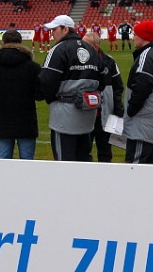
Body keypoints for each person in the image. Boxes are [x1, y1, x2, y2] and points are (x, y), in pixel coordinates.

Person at [38, 15, 104, 162]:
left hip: (64, 116)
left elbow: (47, 82)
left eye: (54, 29)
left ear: (65, 29)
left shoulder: (58, 49)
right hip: (87, 115)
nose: (52, 33)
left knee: (64, 163)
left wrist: (48, 98)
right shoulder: (91, 49)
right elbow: (102, 81)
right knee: (84, 160)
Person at [0, 29, 41, 160]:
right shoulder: (33, 67)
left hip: (1, 118)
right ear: (21, 43)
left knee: (4, 159)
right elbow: (40, 94)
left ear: (3, 42)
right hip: (26, 119)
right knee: (27, 162)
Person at [124, 20, 153, 164]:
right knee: (152, 166)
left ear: (143, 37)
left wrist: (130, 110)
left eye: (135, 34)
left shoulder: (146, 56)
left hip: (143, 124)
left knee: (135, 167)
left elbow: (142, 87)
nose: (133, 38)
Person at [82, 32, 125, 163]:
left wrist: (118, 111)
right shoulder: (79, 61)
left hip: (105, 115)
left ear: (95, 46)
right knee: (83, 151)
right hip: (84, 114)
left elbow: (118, 87)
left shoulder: (109, 61)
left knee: (105, 150)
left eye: (85, 44)